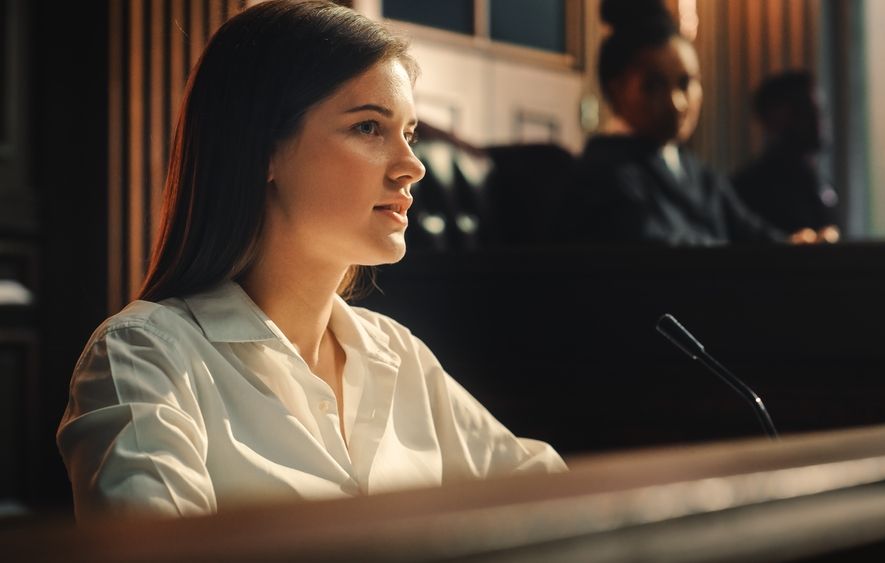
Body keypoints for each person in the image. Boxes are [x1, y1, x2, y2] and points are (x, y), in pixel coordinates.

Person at [56, 0, 565, 520]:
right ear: (264, 153)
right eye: (369, 127)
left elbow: (553, 498)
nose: (412, 165)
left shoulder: (397, 355)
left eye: (409, 135)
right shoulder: (143, 357)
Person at [567, 0, 814, 245]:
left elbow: (753, 234)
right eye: (653, 86)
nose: (678, 103)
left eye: (686, 83)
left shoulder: (698, 173)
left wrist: (797, 244)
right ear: (617, 89)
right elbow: (661, 250)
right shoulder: (605, 174)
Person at [732, 70, 840, 243]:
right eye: (806, 111)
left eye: (821, 110)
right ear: (773, 120)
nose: (819, 120)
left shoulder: (821, 183)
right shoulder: (750, 189)